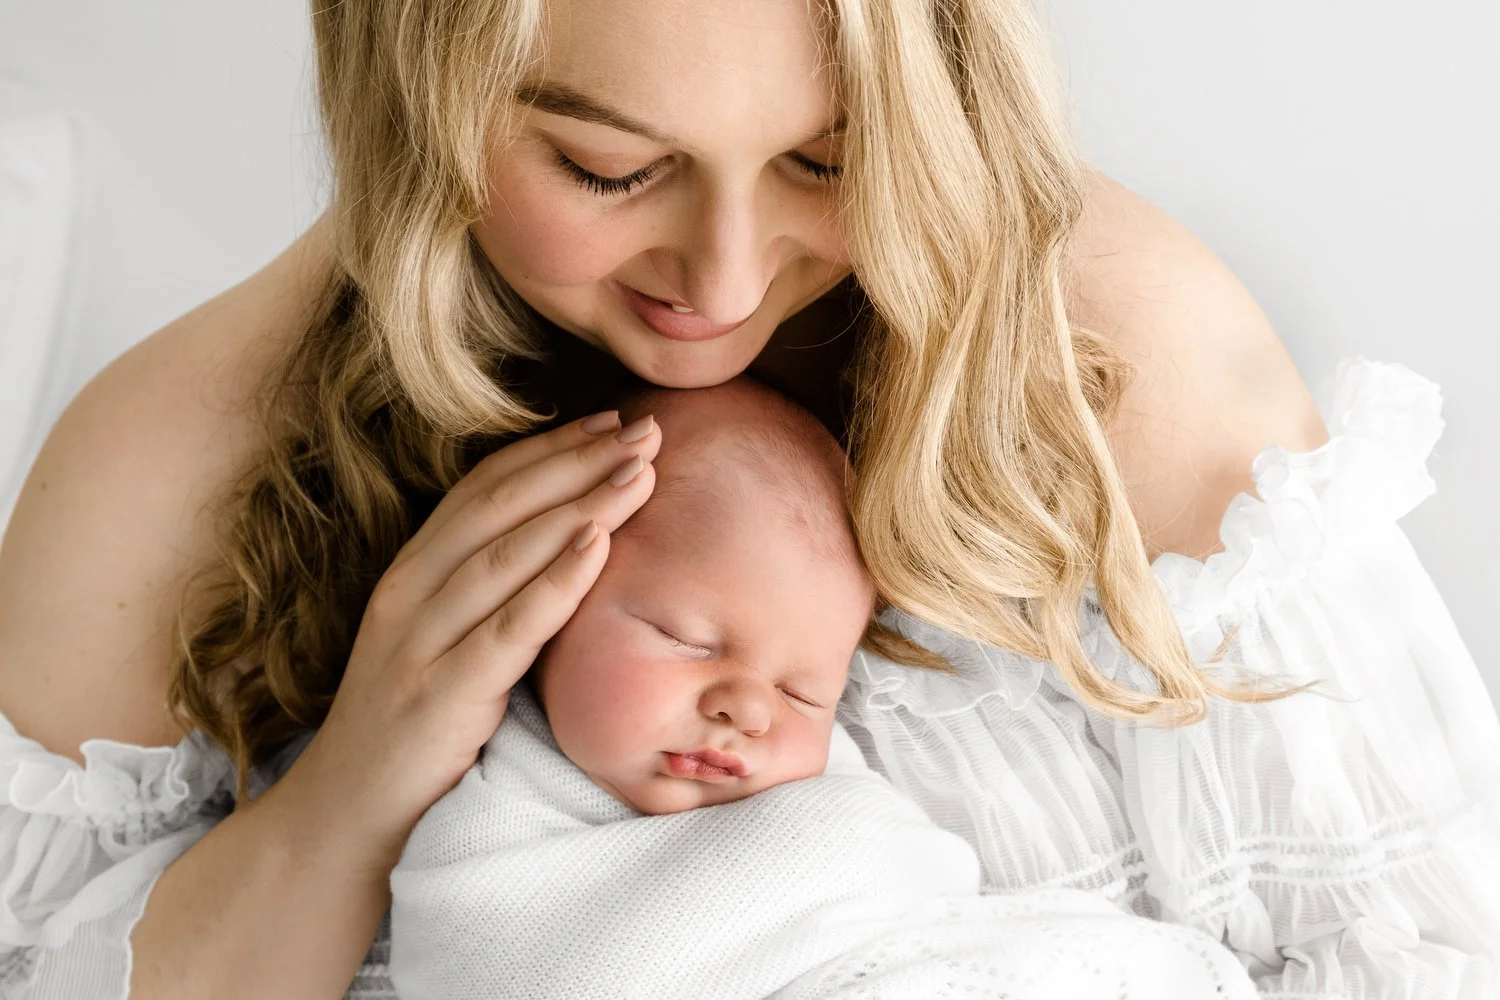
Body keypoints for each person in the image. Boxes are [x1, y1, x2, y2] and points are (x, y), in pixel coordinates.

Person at [0, 0, 1494, 997]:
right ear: (412, 96)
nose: (720, 280)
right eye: (608, 168)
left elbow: (1419, 948)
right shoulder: (174, 468)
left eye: (826, 159)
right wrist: (360, 784)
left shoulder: (1104, 349)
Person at [385, 377, 1259, 1000]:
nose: (750, 709)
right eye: (688, 640)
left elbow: (901, 897)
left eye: (806, 693)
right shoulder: (487, 836)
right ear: (551, 599)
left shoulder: (824, 796)